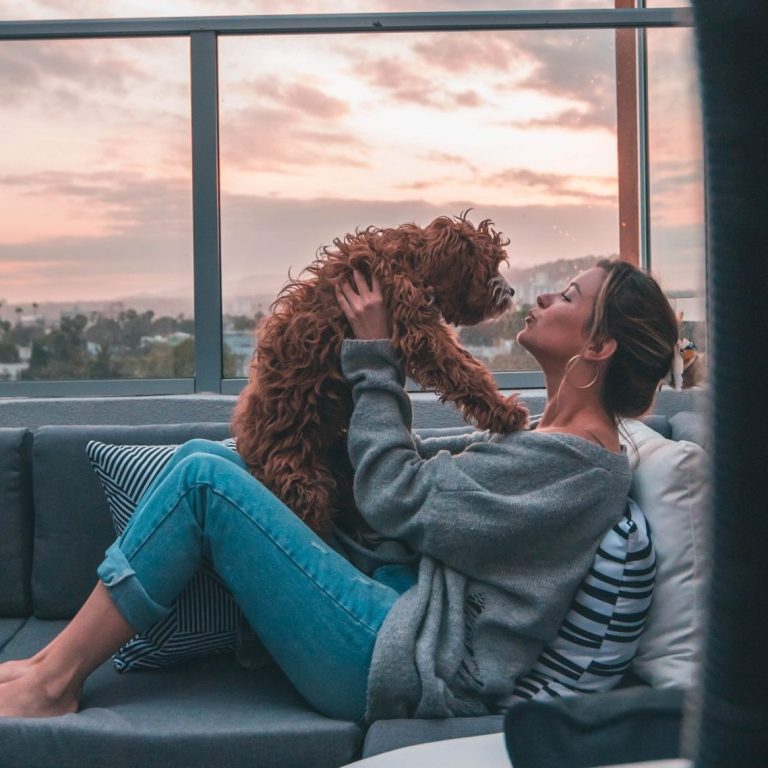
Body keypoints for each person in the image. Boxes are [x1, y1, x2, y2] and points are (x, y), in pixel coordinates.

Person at [0, 257, 678, 722]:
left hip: (392, 657)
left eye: (569, 297)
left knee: (203, 482)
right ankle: (50, 663)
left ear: (599, 347)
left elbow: (397, 495)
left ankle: (54, 685)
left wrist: (376, 355)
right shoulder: (550, 439)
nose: (545, 297)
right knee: (207, 456)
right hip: (394, 601)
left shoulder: (576, 466)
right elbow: (427, 489)